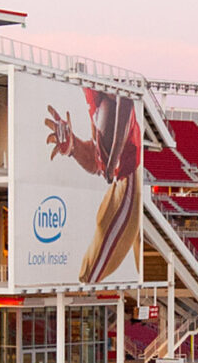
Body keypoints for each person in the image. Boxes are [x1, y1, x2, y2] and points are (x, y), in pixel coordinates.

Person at [44, 87, 143, 282]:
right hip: (120, 179)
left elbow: (125, 99)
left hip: (130, 174)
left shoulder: (102, 82)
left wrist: (113, 160)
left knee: (90, 274)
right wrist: (73, 147)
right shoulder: (91, 92)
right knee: (96, 258)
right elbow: (97, 161)